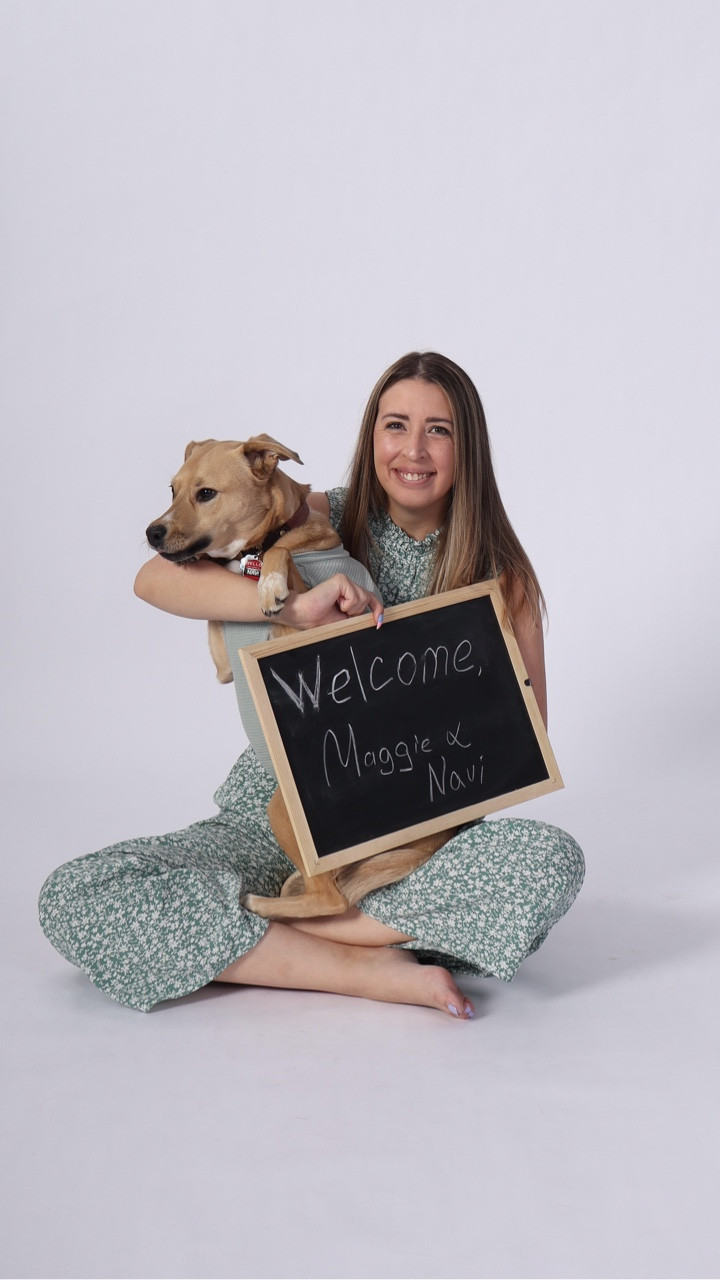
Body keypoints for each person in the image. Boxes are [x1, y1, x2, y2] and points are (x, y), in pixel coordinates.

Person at [38, 352, 584, 1019]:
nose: (413, 449)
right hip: (272, 819)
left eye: (438, 429)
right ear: (371, 436)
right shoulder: (321, 518)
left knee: (550, 861)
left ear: (468, 445)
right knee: (78, 893)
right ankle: (362, 965)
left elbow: (518, 748)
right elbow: (152, 579)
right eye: (395, 425)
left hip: (403, 849)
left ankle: (272, 938)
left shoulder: (504, 576)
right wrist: (288, 608)